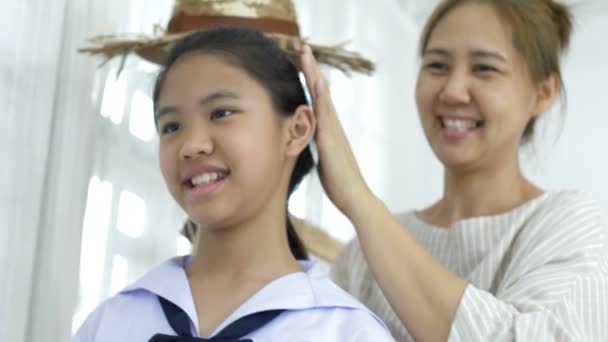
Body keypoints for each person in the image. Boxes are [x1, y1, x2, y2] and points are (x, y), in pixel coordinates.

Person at [299, 0, 608, 341]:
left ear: (543, 93)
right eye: (437, 65)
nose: (452, 91)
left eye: (485, 69)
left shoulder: (567, 226)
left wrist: (360, 202)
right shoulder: (360, 256)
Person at [73, 26, 394, 341]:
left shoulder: (347, 333)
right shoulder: (111, 322)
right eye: (171, 126)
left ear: (297, 129)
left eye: (221, 112)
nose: (191, 145)